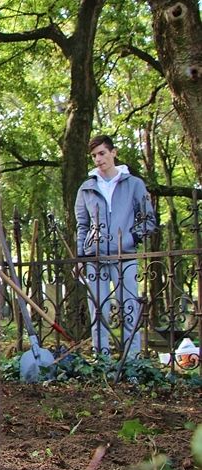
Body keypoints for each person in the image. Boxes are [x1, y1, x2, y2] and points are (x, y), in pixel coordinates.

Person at [75, 135, 155, 358]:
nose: (98, 159)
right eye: (94, 156)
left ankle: (132, 363)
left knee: (129, 309)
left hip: (125, 257)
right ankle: (102, 361)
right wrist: (81, 259)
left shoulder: (134, 184)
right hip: (95, 259)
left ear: (113, 152)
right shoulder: (86, 188)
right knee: (98, 312)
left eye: (102, 153)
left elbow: (148, 219)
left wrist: (130, 238)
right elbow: (82, 226)